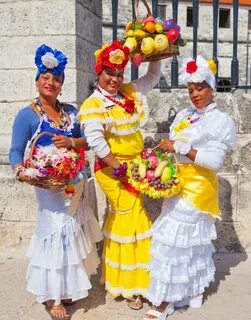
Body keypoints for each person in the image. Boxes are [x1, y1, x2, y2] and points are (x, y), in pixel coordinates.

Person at [9, 44, 103, 320]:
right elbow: (16, 151)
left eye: (57, 78)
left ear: (62, 84)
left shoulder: (71, 113)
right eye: (45, 77)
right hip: (49, 187)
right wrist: (20, 170)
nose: (51, 82)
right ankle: (52, 297)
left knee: (72, 233)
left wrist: (72, 141)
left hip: (74, 183)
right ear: (37, 81)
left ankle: (67, 286)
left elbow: (89, 139)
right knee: (54, 233)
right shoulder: (27, 115)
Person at [144, 56, 236, 319]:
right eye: (191, 89)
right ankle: (193, 290)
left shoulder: (221, 121)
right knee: (189, 241)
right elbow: (174, 148)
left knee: (173, 239)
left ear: (211, 87)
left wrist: (181, 147)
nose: (195, 94)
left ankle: (164, 301)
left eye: (200, 88)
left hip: (198, 187)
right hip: (175, 183)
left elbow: (214, 161)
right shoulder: (184, 116)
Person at [78, 40, 161, 309]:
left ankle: (127, 280)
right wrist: (121, 169)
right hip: (112, 170)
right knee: (131, 215)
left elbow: (151, 77)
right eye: (109, 73)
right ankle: (131, 286)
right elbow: (98, 144)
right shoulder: (93, 104)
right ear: (98, 74)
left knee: (129, 217)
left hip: (134, 167)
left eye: (118, 74)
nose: (114, 79)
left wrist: (156, 54)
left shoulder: (127, 93)